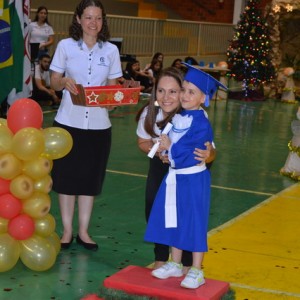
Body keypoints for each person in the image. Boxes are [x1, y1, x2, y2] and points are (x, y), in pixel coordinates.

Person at [144, 63, 226, 289]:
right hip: (175, 177)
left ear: (203, 98)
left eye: (191, 92)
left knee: (194, 222)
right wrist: (162, 148)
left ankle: (197, 270)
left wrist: (170, 149)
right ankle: (175, 263)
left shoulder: (201, 122)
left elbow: (192, 151)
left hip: (192, 179)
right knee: (173, 218)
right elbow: (167, 141)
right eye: (185, 90)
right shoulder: (180, 117)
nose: (184, 95)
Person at [50, 0, 122, 251]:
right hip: (68, 124)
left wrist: (114, 101)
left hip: (99, 126)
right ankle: (67, 230)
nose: (94, 23)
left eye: (98, 18)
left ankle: (84, 231)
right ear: (78, 19)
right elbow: (54, 80)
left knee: (90, 180)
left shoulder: (111, 51)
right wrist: (64, 82)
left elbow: (114, 87)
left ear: (104, 21)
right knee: (67, 179)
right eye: (89, 17)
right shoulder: (65, 46)